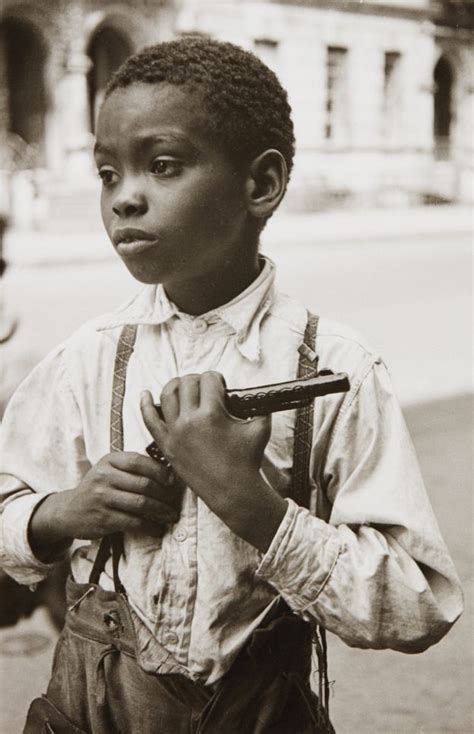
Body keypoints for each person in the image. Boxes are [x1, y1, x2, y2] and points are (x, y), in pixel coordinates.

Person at [0, 37, 462, 733]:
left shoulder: (335, 369)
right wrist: (62, 513)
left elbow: (417, 604)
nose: (124, 197)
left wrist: (252, 506)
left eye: (162, 167)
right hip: (94, 712)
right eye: (106, 173)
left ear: (261, 185)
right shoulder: (86, 360)